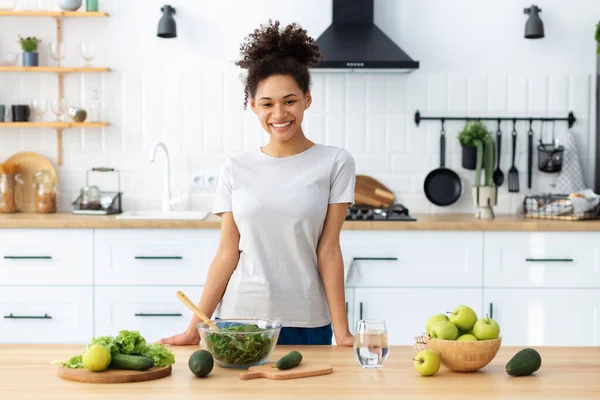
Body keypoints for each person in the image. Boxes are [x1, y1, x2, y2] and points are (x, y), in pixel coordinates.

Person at [158, 20, 355, 347]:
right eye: (267, 103)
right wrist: (194, 328)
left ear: (307, 99)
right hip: (239, 320)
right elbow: (226, 253)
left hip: (307, 319)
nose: (279, 113)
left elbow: (329, 250)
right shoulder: (235, 169)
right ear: (252, 106)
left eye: (289, 100)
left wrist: (343, 331)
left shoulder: (335, 163)